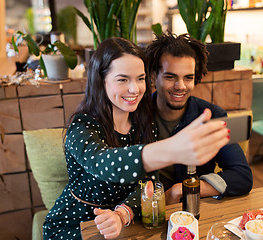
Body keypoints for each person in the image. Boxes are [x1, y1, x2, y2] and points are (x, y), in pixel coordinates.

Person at [42, 37, 229, 240]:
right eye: (123, 80)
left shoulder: (144, 122)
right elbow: (106, 164)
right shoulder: (82, 127)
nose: (135, 89)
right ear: (100, 80)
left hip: (125, 225)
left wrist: (121, 215)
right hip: (75, 226)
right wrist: (171, 149)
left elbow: (149, 184)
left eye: (140, 79)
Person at [145, 32, 253, 205]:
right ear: (153, 77)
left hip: (192, 212)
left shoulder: (213, 115)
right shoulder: (135, 115)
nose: (180, 86)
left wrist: (183, 189)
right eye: (170, 77)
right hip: (143, 214)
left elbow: (242, 176)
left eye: (188, 78)